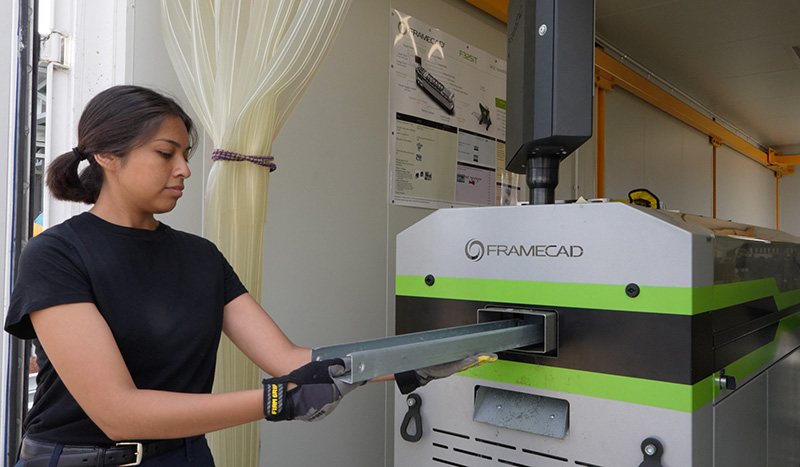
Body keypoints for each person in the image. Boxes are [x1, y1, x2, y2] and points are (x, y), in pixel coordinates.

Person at [4, 85, 495, 466]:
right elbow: (118, 412)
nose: (184, 170)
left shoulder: (200, 257)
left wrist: (413, 362)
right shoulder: (55, 255)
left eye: (187, 156)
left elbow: (289, 359)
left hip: (185, 457)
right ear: (108, 156)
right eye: (165, 153)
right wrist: (275, 401)